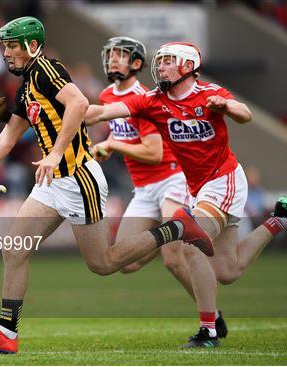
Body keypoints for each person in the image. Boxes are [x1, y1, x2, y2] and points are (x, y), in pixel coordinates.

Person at [0, 18, 213, 354]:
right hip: (52, 182)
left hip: (77, 178)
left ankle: (176, 227)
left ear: (31, 46)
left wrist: (55, 152)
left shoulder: (45, 68)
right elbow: (5, 139)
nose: (6, 53)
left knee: (103, 263)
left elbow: (79, 104)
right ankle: (6, 334)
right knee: (14, 248)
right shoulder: (26, 86)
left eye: (12, 46)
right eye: (4, 46)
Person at [85, 41, 287, 347]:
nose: (160, 67)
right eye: (159, 62)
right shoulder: (153, 100)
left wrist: (227, 107)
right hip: (196, 187)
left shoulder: (207, 94)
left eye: (167, 62)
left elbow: (245, 114)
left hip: (223, 180)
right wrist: (73, 112)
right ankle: (280, 219)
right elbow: (103, 112)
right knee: (228, 271)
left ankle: (209, 331)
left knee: (191, 245)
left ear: (187, 66)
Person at [89, 36, 232, 341]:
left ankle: (210, 318)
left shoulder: (146, 98)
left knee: (172, 256)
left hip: (171, 178)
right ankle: (211, 312)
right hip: (142, 189)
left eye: (120, 55)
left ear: (137, 64)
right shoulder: (106, 95)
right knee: (125, 261)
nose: (113, 60)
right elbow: (119, 136)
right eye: (110, 54)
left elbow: (153, 152)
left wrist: (115, 145)